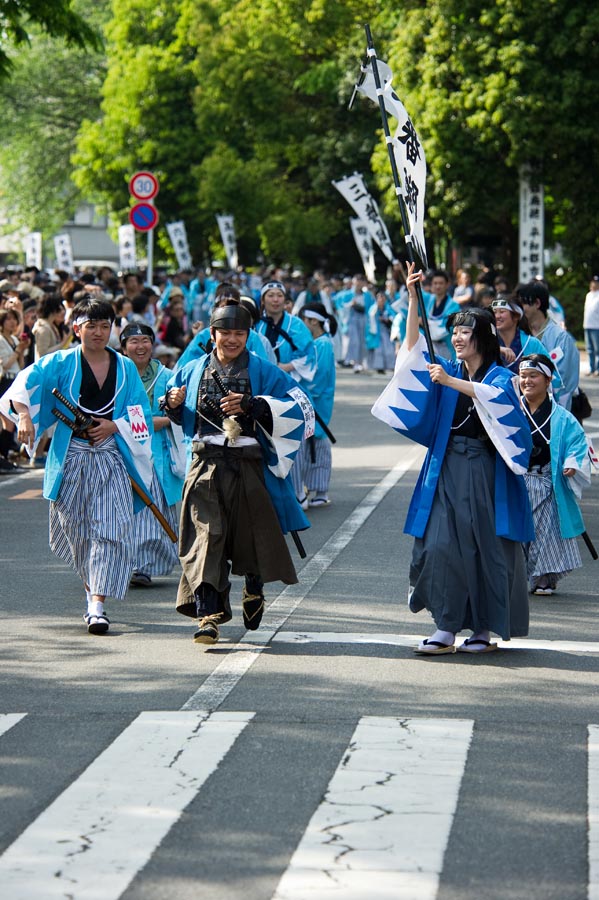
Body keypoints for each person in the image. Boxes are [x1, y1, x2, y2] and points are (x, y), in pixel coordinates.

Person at [372, 263, 534, 655]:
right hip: (444, 468)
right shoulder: (446, 369)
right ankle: (445, 625)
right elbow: (412, 352)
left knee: (484, 548)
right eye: (456, 331)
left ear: (483, 338)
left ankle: (482, 628)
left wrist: (452, 382)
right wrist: (413, 299)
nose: (458, 337)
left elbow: (497, 401)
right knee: (438, 545)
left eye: (466, 332)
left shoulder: (499, 377)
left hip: (484, 472)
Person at [0, 296, 154, 635]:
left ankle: (97, 605)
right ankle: (90, 593)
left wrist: (115, 426)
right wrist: (24, 415)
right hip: (70, 455)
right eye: (91, 326)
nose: (98, 333)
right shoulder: (60, 362)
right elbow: (22, 386)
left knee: (110, 529)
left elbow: (139, 413)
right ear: (76, 328)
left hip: (111, 455)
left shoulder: (125, 367)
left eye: (104, 326)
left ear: (112, 329)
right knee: (78, 532)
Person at [162, 302, 313, 646]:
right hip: (204, 465)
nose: (231, 339)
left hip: (248, 466)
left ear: (249, 336)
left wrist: (255, 404)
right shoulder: (192, 368)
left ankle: (254, 586)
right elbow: (173, 409)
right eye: (225, 333)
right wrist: (172, 402)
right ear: (211, 334)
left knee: (250, 537)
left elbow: (301, 407)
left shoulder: (263, 369)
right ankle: (208, 615)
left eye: (239, 333)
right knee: (205, 537)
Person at [519, 354, 591, 594]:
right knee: (518, 533)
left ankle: (543, 579)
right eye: (523, 376)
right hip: (518, 480)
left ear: (548, 379)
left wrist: (571, 463)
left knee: (546, 535)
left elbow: (577, 443)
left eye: (533, 376)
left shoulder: (562, 417)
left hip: (547, 481)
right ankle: (518, 577)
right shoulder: (512, 410)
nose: (527, 381)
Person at [120, 323, 183, 587]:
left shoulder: (167, 376)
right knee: (123, 511)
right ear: (124, 347)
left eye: (145, 340)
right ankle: (125, 563)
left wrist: (163, 419)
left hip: (158, 454)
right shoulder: (116, 374)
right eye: (133, 341)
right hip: (123, 451)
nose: (140, 346)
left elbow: (179, 412)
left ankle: (143, 565)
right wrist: (156, 419)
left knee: (153, 509)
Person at [294, 302, 336, 507]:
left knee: (312, 444)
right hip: (313, 400)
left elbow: (317, 377)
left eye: (304, 321)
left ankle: (316, 489)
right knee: (315, 444)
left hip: (315, 400)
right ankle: (317, 489)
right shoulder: (319, 343)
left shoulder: (322, 345)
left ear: (312, 321)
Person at [516, 281, 580, 411]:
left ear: (537, 304)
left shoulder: (560, 338)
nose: (519, 309)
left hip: (550, 409)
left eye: (523, 303)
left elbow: (564, 382)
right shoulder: (517, 333)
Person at [256, 280, 316, 387]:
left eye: (280, 295)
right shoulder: (256, 324)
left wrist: (288, 366)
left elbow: (310, 354)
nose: (275, 300)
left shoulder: (297, 324)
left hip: (289, 381)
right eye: (270, 295)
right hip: (259, 380)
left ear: (285, 300)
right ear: (262, 300)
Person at [491, 296, 546, 374]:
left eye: (502, 312)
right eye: (494, 312)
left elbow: (551, 375)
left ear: (516, 316)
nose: (497, 316)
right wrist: (498, 348)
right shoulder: (487, 342)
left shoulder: (532, 343)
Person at [421, 269, 461, 360]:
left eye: (441, 283)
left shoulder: (454, 305)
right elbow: (415, 292)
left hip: (447, 348)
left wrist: (426, 322)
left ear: (447, 284)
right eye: (435, 283)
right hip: (430, 346)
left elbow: (445, 328)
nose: (438, 286)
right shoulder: (429, 299)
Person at [583, 275, 599, 377]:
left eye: (596, 282)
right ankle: (591, 368)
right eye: (593, 282)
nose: (594, 284)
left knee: (597, 349)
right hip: (587, 324)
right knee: (589, 349)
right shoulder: (588, 295)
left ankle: (597, 369)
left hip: (596, 325)